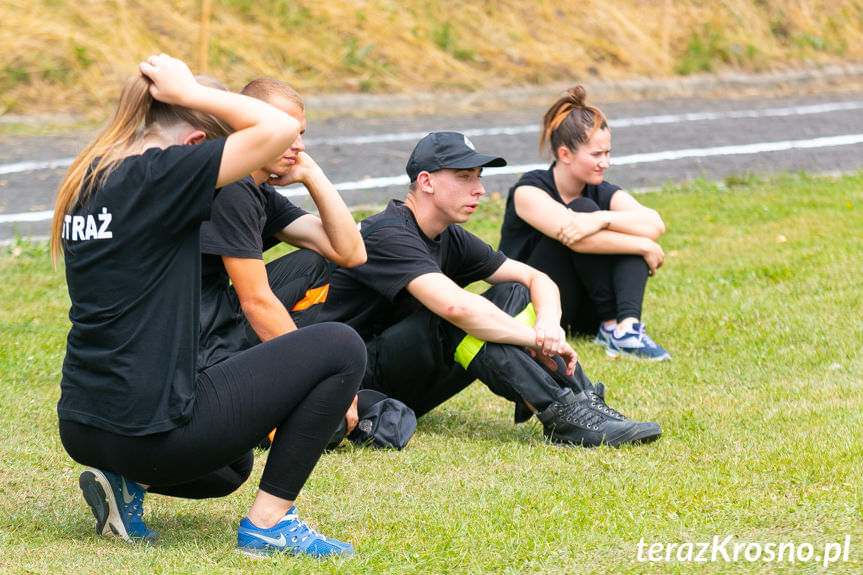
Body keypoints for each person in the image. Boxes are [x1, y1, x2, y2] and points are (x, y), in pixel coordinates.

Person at [51, 54, 364, 558]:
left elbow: (345, 246)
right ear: (196, 145)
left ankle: (124, 483)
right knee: (341, 346)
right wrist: (190, 92)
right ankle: (270, 525)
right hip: (148, 432)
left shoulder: (93, 177)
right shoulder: (161, 175)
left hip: (84, 426)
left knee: (229, 468)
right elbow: (279, 127)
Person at [317, 131, 663, 448]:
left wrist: (549, 325)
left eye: (479, 177)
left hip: (401, 377)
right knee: (454, 318)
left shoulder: (448, 235)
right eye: (465, 177)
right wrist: (533, 339)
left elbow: (536, 279)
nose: (479, 189)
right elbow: (456, 309)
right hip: (354, 384)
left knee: (512, 291)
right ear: (426, 182)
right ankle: (561, 414)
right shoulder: (388, 232)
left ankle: (582, 400)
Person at [198, 77, 366, 435]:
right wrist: (311, 372)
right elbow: (256, 301)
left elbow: (350, 252)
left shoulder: (256, 188)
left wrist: (312, 174)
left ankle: (279, 394)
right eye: (287, 132)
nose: (299, 146)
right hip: (194, 350)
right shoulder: (234, 187)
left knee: (316, 263)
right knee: (329, 422)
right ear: (248, 126)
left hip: (214, 325)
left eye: (301, 133)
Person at [499, 86, 670, 361]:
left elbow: (654, 223)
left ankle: (624, 328)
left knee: (599, 215)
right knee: (583, 211)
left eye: (608, 153)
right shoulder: (528, 191)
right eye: (596, 155)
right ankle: (616, 326)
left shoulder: (600, 189)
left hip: (581, 315)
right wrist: (642, 246)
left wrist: (603, 218)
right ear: (565, 154)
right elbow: (573, 235)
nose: (606, 162)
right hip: (533, 310)